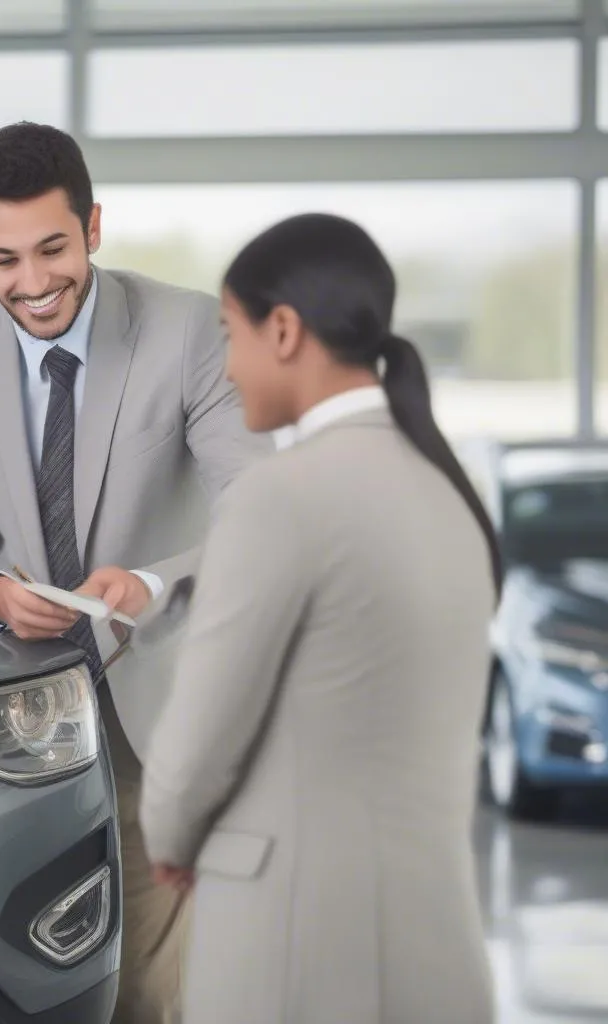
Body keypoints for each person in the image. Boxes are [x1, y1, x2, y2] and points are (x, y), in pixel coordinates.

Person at [0, 122, 269, 1023]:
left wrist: (151, 586)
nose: (32, 284)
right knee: (15, 970)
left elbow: (266, 516)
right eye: (4, 260)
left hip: (159, 707)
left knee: (150, 987)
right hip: (10, 726)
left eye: (52, 249)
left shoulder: (189, 330)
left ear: (93, 226)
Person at [139, 212, 501, 1024]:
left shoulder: (278, 496)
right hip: (436, 953)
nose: (229, 370)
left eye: (232, 335)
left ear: (285, 329)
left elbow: (197, 747)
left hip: (294, 948)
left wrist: (172, 836)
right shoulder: (454, 497)